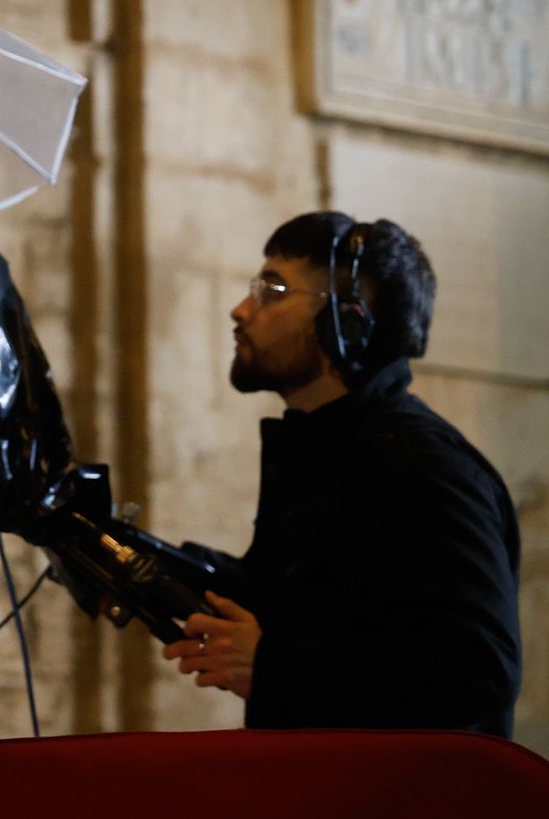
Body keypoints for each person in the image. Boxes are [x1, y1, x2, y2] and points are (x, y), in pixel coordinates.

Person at [162, 213, 522, 735]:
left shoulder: (421, 462)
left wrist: (273, 666)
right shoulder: (326, 449)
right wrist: (132, 561)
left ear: (347, 323)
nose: (241, 310)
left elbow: (482, 666)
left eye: (273, 290)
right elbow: (290, 607)